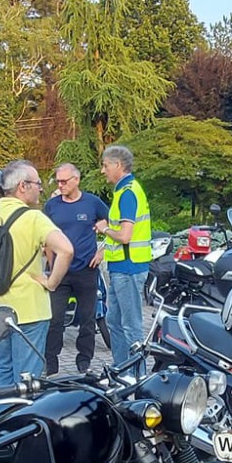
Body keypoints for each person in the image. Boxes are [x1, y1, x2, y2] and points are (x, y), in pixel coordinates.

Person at [0, 160, 72, 385]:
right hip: (29, 311)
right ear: (22, 186)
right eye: (37, 184)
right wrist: (52, 283)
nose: (40, 189)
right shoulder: (33, 218)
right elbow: (66, 250)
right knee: (27, 380)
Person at [42, 162, 108, 373]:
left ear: (76, 180)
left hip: (86, 270)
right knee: (55, 319)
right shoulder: (52, 206)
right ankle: (51, 362)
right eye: (58, 181)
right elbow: (45, 237)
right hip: (60, 272)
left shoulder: (92, 203)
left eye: (64, 181)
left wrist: (102, 251)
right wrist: (52, 264)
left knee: (88, 319)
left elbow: (113, 225)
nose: (60, 185)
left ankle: (84, 360)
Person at [98, 144, 150, 373]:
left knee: (130, 326)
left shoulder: (128, 193)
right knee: (114, 321)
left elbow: (125, 236)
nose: (103, 171)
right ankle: (121, 370)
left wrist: (104, 229)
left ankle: (137, 374)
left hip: (129, 268)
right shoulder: (124, 191)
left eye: (105, 165)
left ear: (118, 165)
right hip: (121, 267)